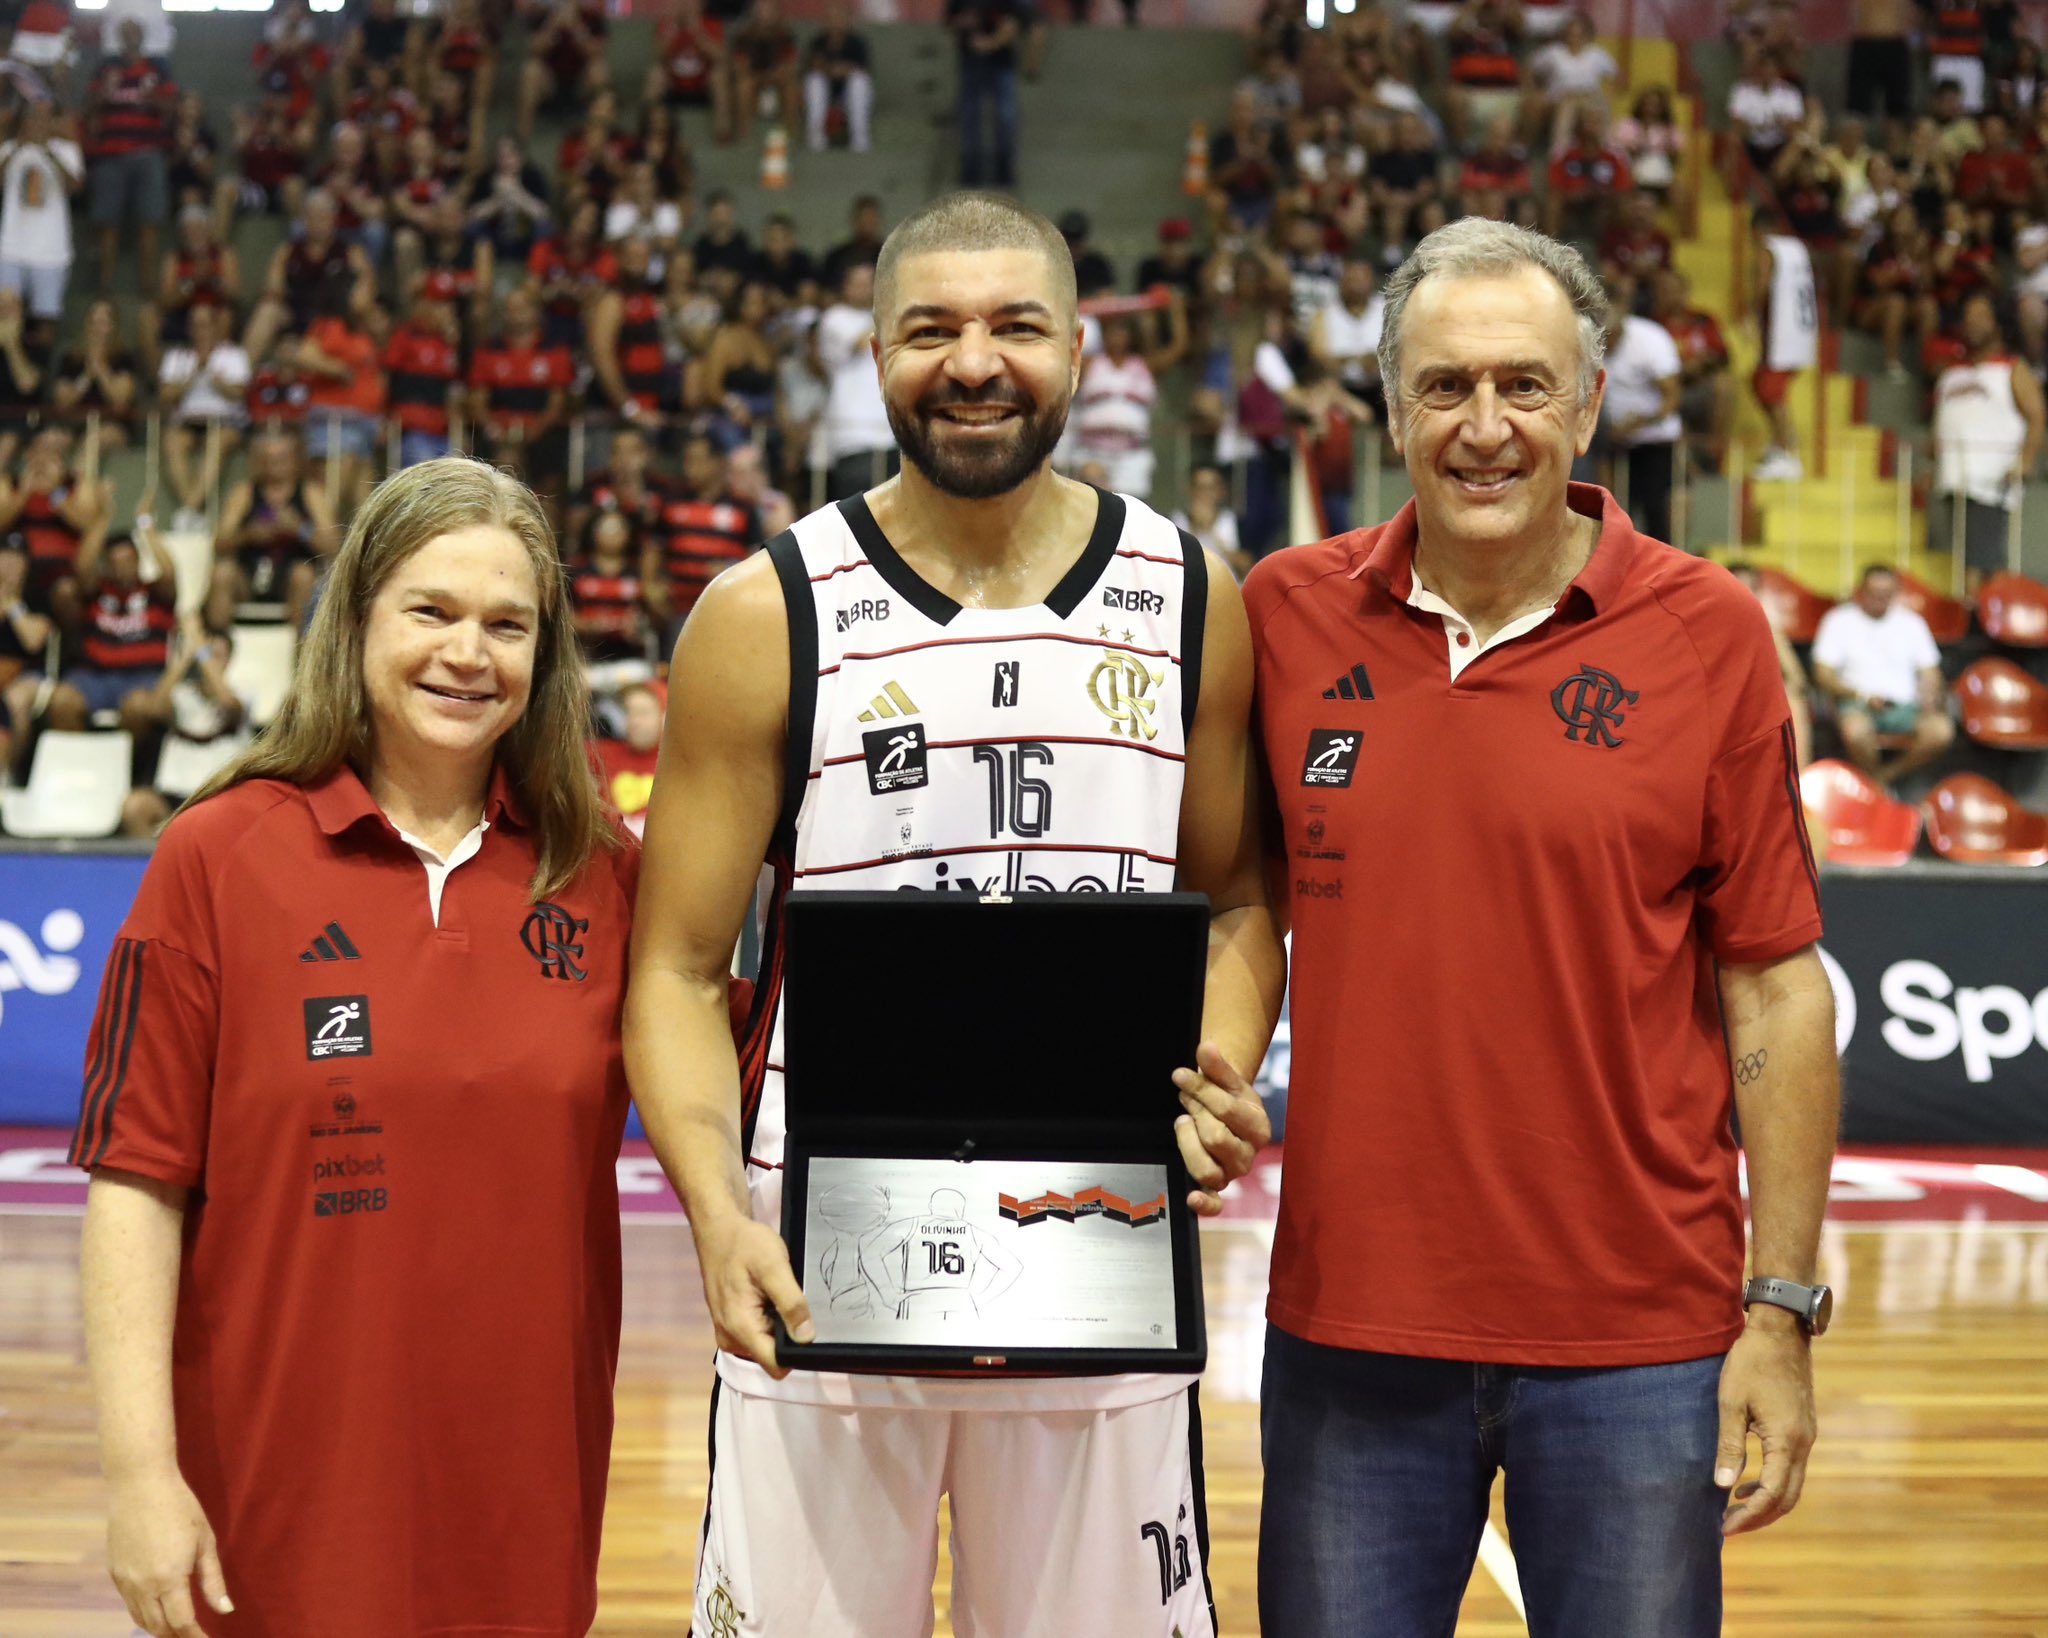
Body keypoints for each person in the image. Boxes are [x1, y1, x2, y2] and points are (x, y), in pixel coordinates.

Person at [623, 191, 1284, 1638]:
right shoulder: (764, 609)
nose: (973, 361)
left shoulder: (1193, 597)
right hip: (820, 1257)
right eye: (932, 329)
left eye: (1015, 327)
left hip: (1103, 1248)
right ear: (873, 355)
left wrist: (1217, 1073)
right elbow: (673, 968)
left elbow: (1238, 899)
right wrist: (717, 1213)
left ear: (1081, 348)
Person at [1244, 219, 1839, 1637]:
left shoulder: (1710, 630)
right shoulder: (1285, 614)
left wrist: (1782, 1313)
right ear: (1390, 409)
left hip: (1641, 1338)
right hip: (1350, 1328)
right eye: (1446, 387)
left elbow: (1773, 987)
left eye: (1526, 384)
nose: (1487, 426)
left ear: (1587, 403)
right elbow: (1233, 905)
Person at [70, 458, 634, 1638]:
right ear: (357, 619)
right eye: (429, 611)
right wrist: (136, 1478)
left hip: (523, 1503)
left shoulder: (606, 877)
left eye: (505, 624)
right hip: (276, 1505)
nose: (466, 654)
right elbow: (134, 1186)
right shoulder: (216, 854)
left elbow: (738, 1089)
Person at [1932, 290, 2043, 591]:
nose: (1973, 323)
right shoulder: (1952, 371)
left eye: (1981, 316)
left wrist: (2026, 460)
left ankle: (1980, 622)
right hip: (1954, 479)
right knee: (1967, 557)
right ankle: (1979, 615)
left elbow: (2037, 416)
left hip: (1990, 481)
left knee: (1980, 562)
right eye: (1968, 316)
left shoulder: (2012, 367)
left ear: (1999, 323)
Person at [1810, 563, 1955, 787]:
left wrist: (1930, 690)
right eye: (1874, 593)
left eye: (1886, 594)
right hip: (1857, 703)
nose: (1880, 599)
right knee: (1855, 732)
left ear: (1896, 593)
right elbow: (1822, 674)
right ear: (1861, 591)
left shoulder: (1912, 623)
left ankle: (1880, 781)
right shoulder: (1838, 621)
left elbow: (1931, 671)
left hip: (1906, 707)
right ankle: (1880, 787)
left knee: (1941, 732)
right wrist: (1860, 695)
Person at [1594, 273, 1682, 545]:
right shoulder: (1590, 342)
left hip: (1654, 440)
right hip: (1613, 443)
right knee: (1616, 515)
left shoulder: (1650, 340)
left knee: (1656, 513)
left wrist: (1636, 424)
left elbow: (1672, 398)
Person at [0, 98, 86, 339]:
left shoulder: (66, 149)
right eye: (32, 117)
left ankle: (41, 369)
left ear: (51, 121)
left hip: (51, 250)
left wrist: (48, 150)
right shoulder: (9, 148)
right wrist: (18, 146)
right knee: (5, 315)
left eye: (42, 117)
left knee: (46, 317)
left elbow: (75, 186)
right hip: (11, 249)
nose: (37, 123)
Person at [1752, 212, 1817, 480]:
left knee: (1770, 389)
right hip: (1801, 332)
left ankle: (1790, 453)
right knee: (1758, 382)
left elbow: (1762, 285)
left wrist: (1749, 313)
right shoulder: (1796, 251)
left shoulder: (1767, 250)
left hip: (1782, 336)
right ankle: (1779, 444)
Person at [949, 0, 1022, 187]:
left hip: (1001, 63)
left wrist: (989, 43)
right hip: (970, 64)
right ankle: (970, 169)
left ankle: (1003, 168)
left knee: (1005, 116)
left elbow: (1012, 25)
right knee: (969, 118)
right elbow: (950, 20)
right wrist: (964, 23)